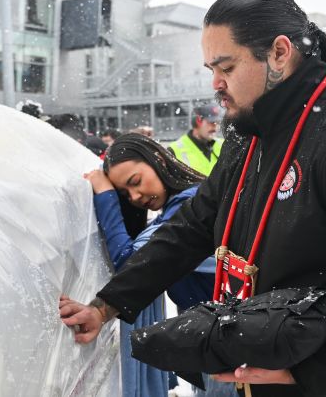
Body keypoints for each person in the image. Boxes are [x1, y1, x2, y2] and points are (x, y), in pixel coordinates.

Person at [59, 0, 326, 397]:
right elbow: (192, 227)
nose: (216, 84)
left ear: (280, 53)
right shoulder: (249, 133)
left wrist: (311, 370)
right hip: (270, 376)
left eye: (227, 68)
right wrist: (106, 305)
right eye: (212, 71)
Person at [77, 133, 235, 397]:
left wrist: (105, 195)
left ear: (158, 159)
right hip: (216, 337)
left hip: (226, 338)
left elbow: (133, 262)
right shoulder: (180, 206)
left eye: (136, 182)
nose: (136, 196)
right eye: (125, 194)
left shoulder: (188, 207)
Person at [169, 103, 224, 176]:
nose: (216, 127)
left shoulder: (224, 145)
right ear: (198, 121)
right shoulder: (174, 150)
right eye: (212, 122)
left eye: (218, 122)